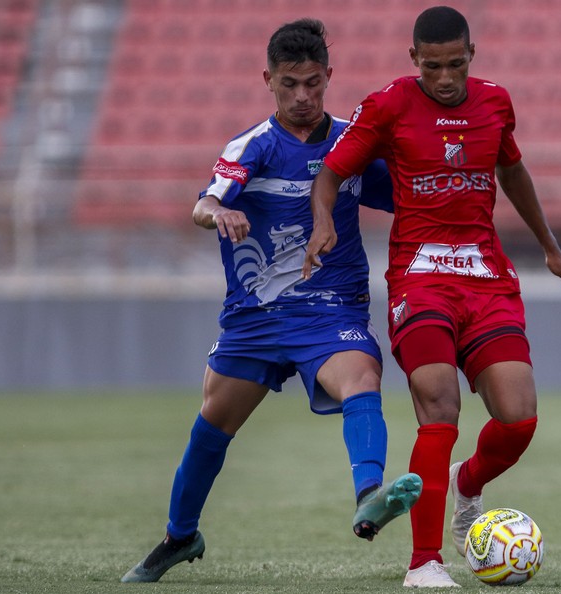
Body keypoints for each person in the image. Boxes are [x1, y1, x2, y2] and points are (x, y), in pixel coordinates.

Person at [121, 19, 422, 583]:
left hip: (330, 309)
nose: (303, 97)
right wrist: (223, 211)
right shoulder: (252, 146)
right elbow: (203, 206)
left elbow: (406, 192)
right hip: (255, 318)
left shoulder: (350, 145)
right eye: (290, 85)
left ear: (329, 77)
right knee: (212, 426)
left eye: (313, 83)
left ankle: (369, 495)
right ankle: (179, 537)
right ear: (268, 81)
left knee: (362, 379)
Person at [302, 6, 561, 588]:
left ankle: (465, 484)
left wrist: (551, 247)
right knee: (439, 407)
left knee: (519, 419)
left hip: (486, 278)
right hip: (420, 278)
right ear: (415, 61)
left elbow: (514, 173)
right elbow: (329, 174)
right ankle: (424, 564)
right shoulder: (387, 105)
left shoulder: (496, 103)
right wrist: (321, 221)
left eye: (456, 64)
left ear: (471, 55)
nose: (446, 78)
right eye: (433, 67)